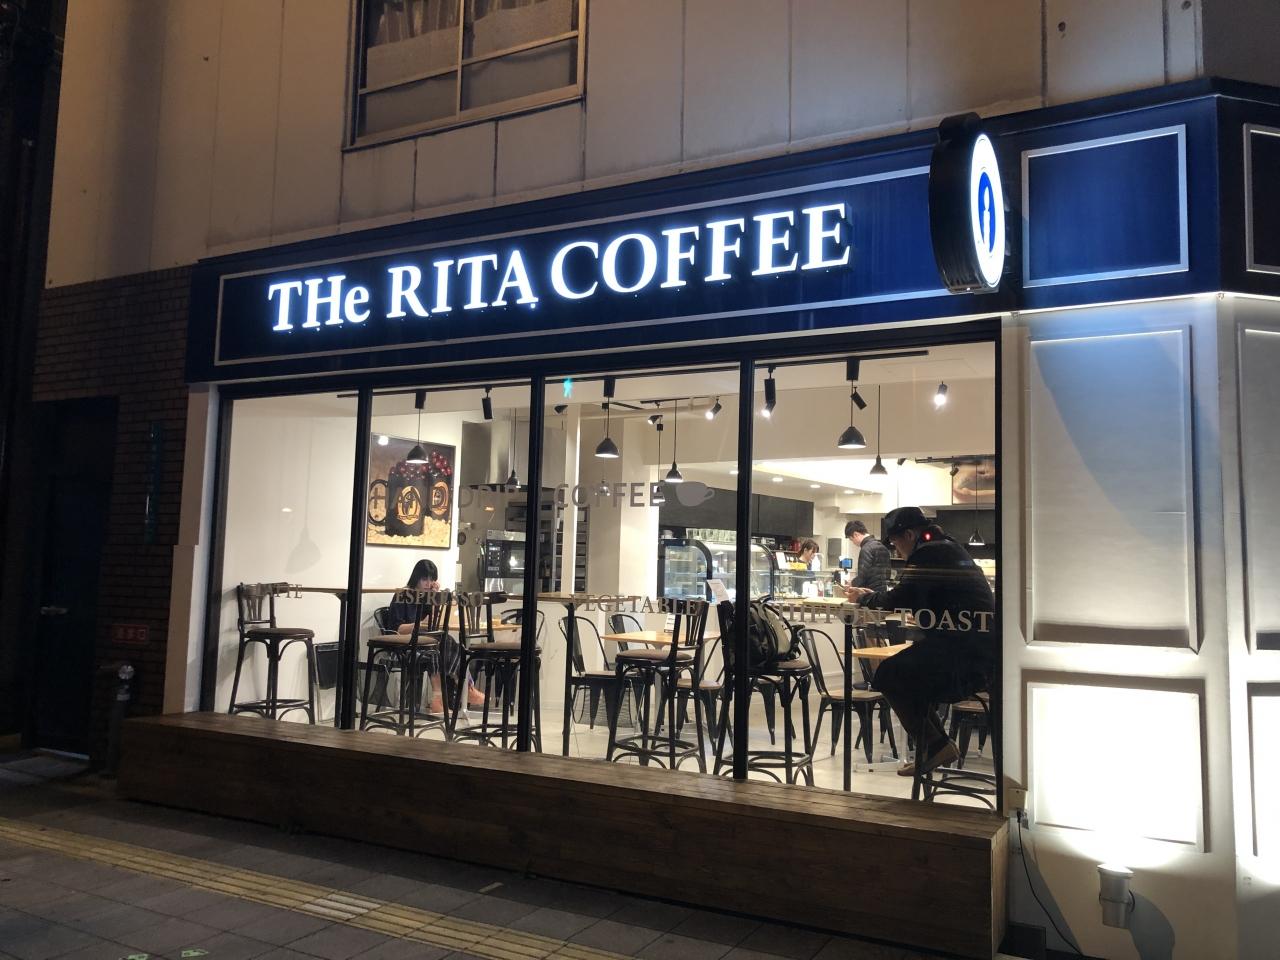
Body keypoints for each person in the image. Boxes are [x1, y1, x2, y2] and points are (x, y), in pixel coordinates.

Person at [847, 507, 995, 777]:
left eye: (895, 542)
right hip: (978, 650)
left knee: (888, 675)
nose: (896, 549)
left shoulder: (929, 553)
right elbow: (914, 594)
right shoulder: (945, 546)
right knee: (906, 675)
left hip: (965, 656)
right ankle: (936, 746)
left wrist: (864, 598)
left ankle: (936, 746)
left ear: (909, 534)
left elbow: (899, 598)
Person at [385, 559, 483, 715]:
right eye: (424, 579)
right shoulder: (402, 595)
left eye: (432, 580)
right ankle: (462, 688)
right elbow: (397, 629)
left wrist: (435, 598)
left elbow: (435, 623)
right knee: (438, 644)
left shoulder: (427, 598)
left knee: (448, 643)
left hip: (424, 641)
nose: (428, 583)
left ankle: (448, 694)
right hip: (403, 644)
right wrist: (419, 624)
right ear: (416, 578)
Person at [843, 520, 891, 597]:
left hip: (869, 594)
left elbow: (863, 576)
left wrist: (851, 584)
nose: (853, 543)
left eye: (851, 539)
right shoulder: (882, 547)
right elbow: (888, 573)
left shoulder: (866, 549)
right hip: (882, 592)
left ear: (856, 534)